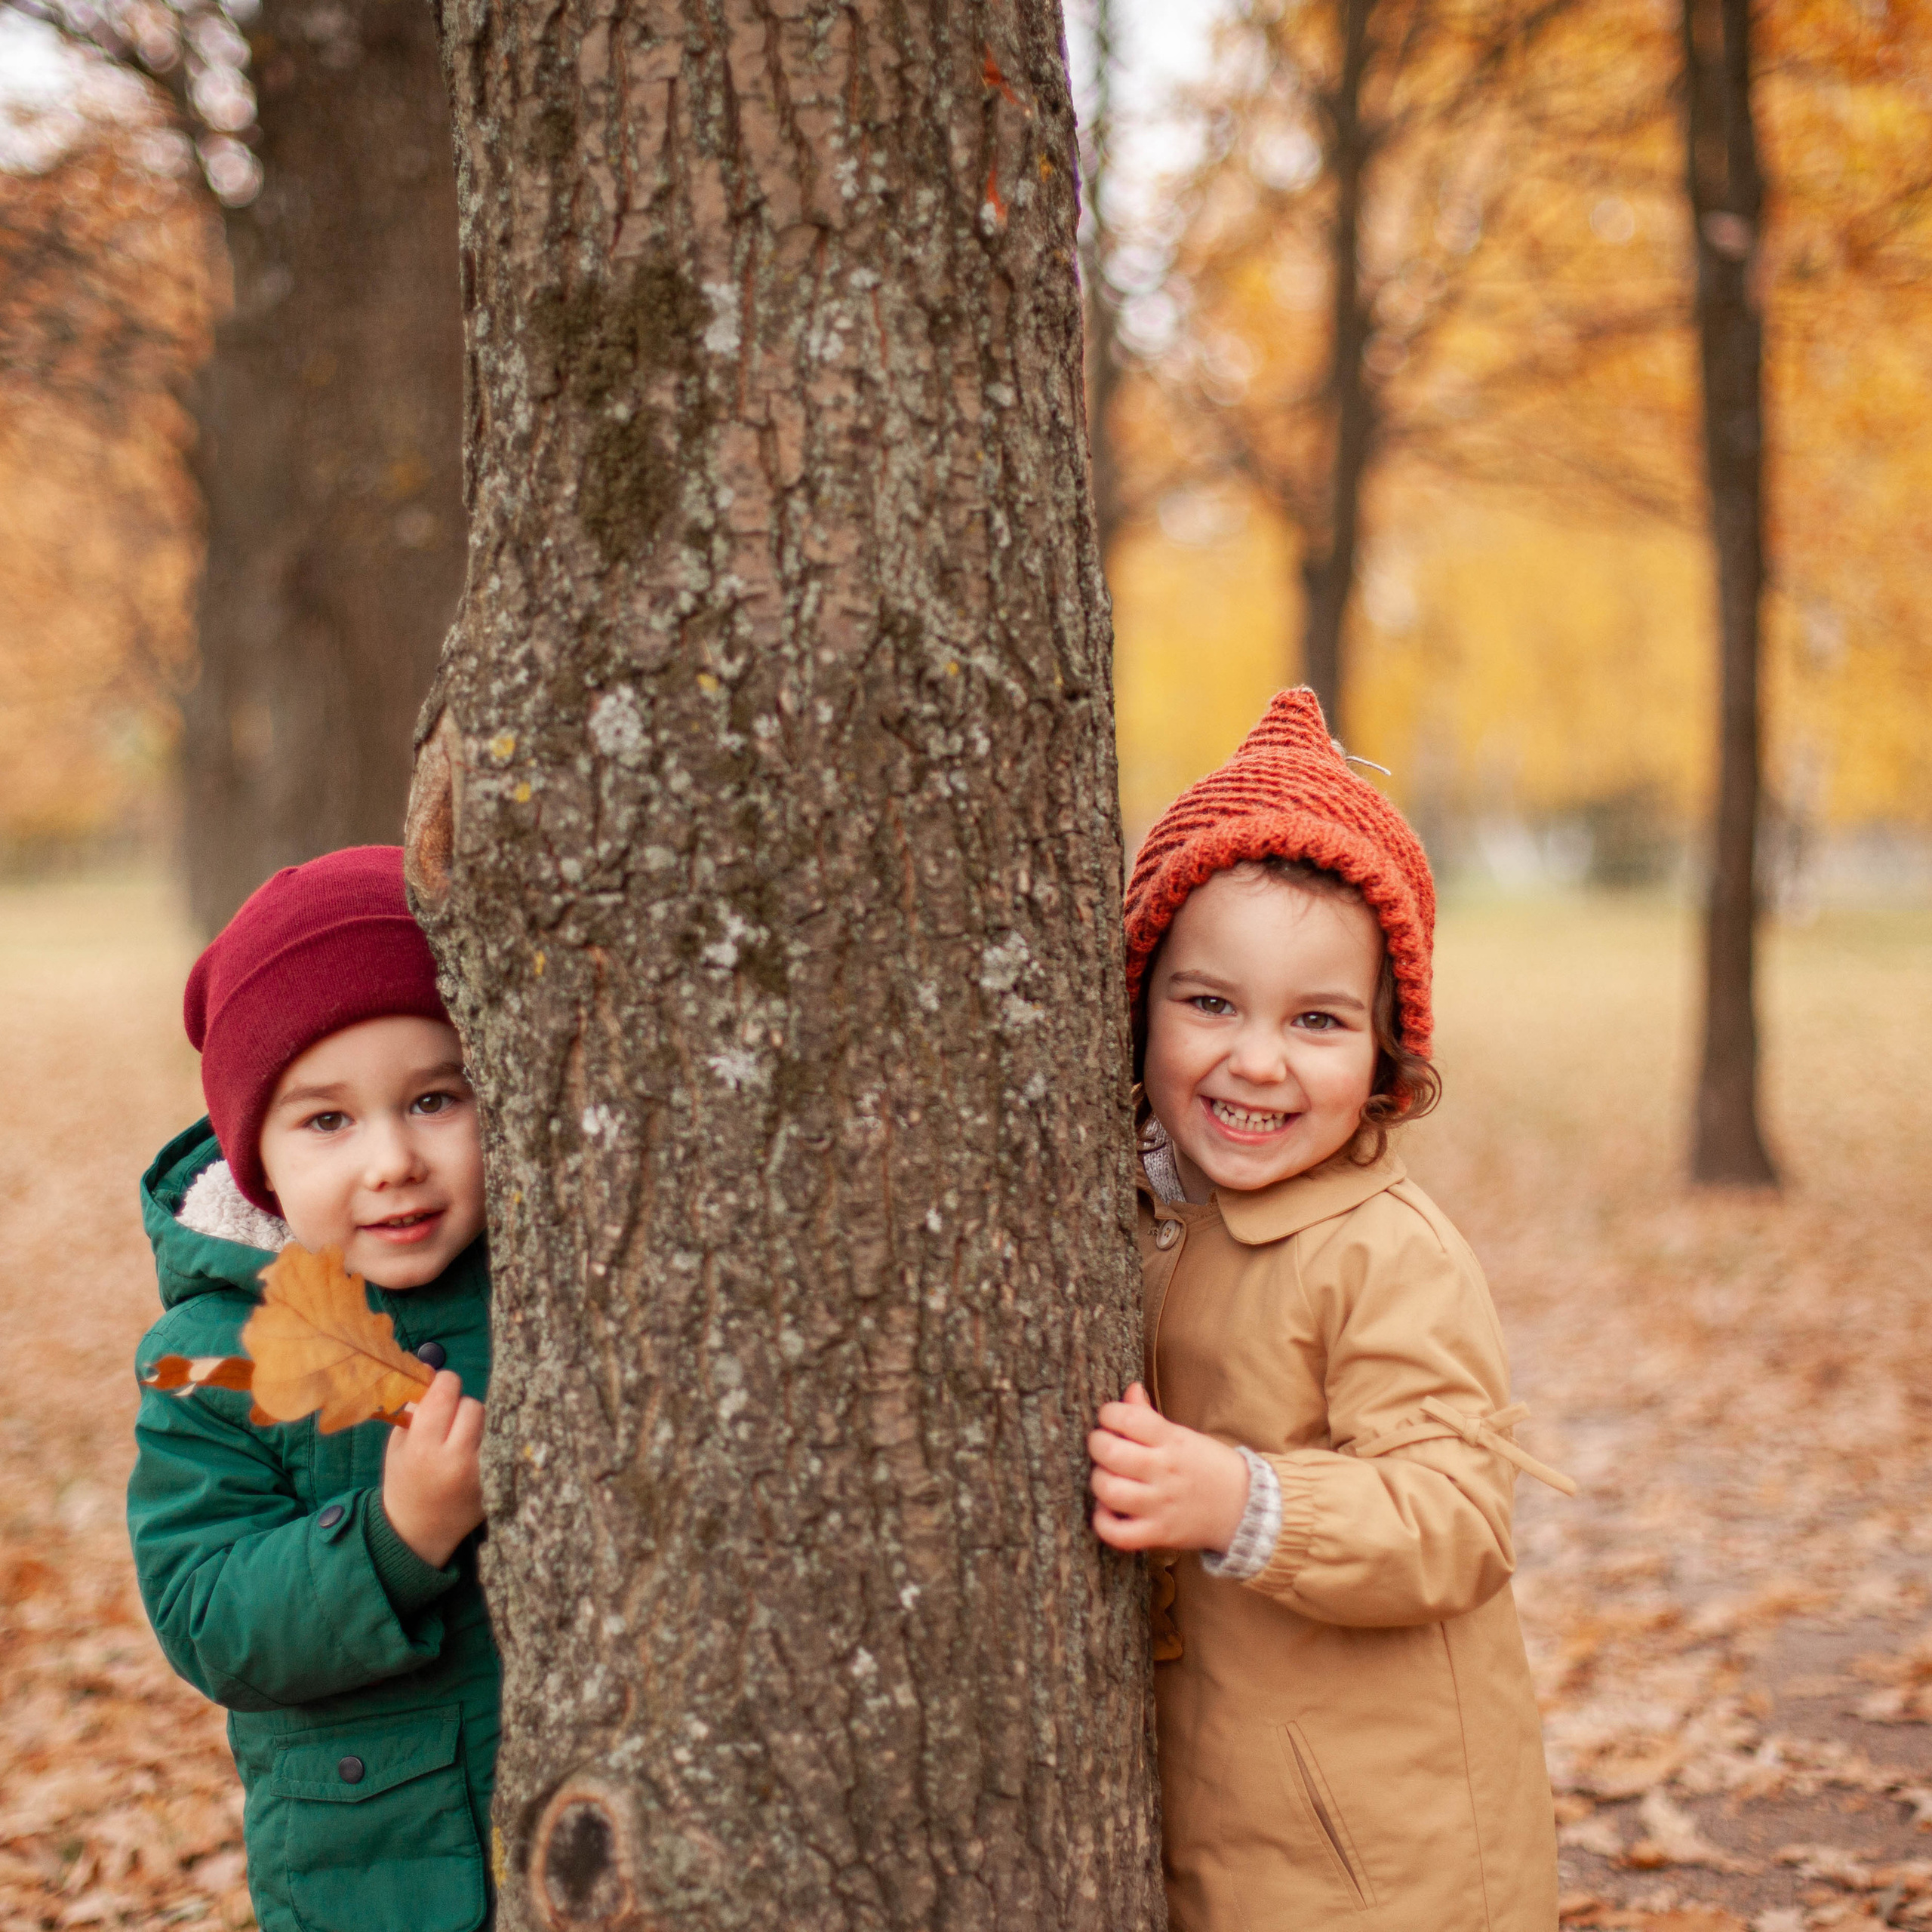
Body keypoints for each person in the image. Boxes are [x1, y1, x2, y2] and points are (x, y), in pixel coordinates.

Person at [1088, 689, 1569, 1932]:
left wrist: (1241, 1501)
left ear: (1385, 1056)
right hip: (1227, 1817)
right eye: (1209, 1003)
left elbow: (1458, 1516)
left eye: (1317, 1020)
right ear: (1138, 1006)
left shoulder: (1385, 1254)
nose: (1258, 1060)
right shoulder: (1133, 1211)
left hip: (1386, 1860)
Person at [127, 845, 497, 1932]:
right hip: (379, 1866)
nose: (393, 1160)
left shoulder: (548, 1279)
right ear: (258, 1164)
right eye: (328, 1121)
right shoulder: (213, 1356)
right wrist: (396, 1535)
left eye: (434, 1099)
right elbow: (206, 1612)